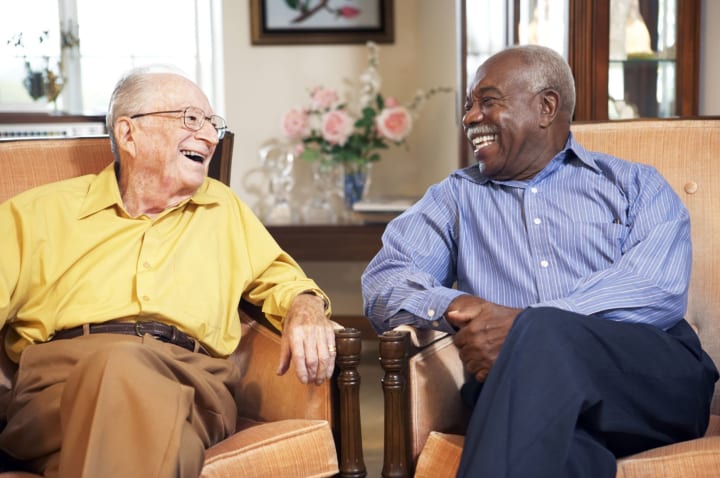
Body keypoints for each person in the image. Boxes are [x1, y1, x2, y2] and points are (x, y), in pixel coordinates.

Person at [361, 44, 719, 477]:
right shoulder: (454, 197)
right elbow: (384, 281)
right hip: (525, 390)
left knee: (540, 336)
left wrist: (524, 326)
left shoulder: (634, 184)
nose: (470, 117)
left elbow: (655, 289)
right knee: (566, 452)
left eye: (487, 102)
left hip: (649, 381)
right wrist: (455, 306)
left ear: (546, 106)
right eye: (469, 106)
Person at [0, 65, 337, 477]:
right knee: (158, 434)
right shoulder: (35, 213)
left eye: (213, 124)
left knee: (119, 379)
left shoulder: (223, 209)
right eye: (191, 119)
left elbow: (283, 280)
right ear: (128, 134)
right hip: (57, 389)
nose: (211, 137)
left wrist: (306, 307)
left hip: (192, 384)